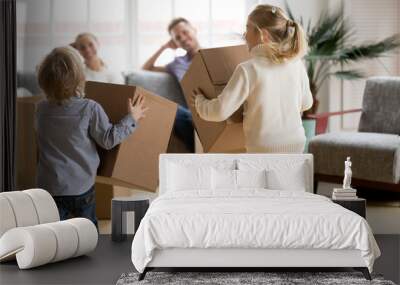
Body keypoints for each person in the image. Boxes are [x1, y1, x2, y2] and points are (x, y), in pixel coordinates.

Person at [36, 47, 148, 227]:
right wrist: (132, 118)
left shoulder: (40, 109)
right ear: (80, 77)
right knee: (87, 231)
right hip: (81, 187)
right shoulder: (89, 108)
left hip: (49, 187)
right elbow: (108, 140)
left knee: (54, 233)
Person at [192, 5, 313, 153]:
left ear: (263, 35)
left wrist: (199, 103)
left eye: (247, 28)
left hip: (263, 148)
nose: (244, 34)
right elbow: (307, 103)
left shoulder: (248, 69)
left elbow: (220, 111)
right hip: (296, 143)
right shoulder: (296, 64)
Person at [142, 18, 201, 152]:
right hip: (192, 114)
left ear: (194, 30)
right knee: (170, 109)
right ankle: (197, 152)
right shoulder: (177, 64)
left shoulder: (213, 55)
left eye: (185, 32)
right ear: (175, 43)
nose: (184, 38)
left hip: (215, 108)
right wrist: (164, 47)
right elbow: (146, 68)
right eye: (178, 38)